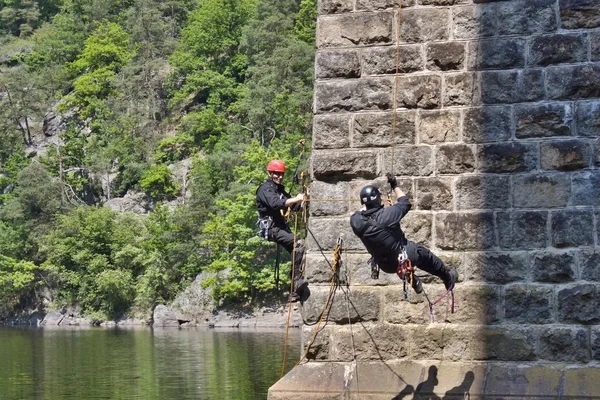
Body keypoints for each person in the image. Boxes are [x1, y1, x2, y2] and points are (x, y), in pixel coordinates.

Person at [350, 173, 458, 293]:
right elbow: (405, 202)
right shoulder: (388, 215)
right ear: (377, 199)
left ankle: (412, 279)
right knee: (422, 254)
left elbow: (361, 212)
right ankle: (448, 279)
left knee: (395, 254)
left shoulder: (356, 222)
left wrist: (368, 205)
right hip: (403, 257)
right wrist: (394, 185)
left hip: (385, 265)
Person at [256, 159, 308, 302]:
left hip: (280, 227)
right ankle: (296, 282)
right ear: (270, 173)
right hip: (271, 228)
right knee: (298, 243)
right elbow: (275, 203)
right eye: (276, 174)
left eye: (281, 174)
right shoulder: (265, 189)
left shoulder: (279, 190)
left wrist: (302, 200)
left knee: (299, 249)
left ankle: (294, 290)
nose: (279, 177)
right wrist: (295, 199)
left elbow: (292, 206)